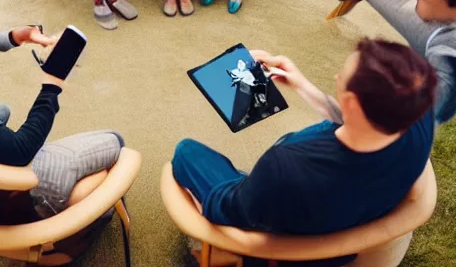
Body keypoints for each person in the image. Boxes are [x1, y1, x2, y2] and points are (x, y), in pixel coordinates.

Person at [172, 39, 435, 267]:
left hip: (279, 226)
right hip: (339, 231)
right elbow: (356, 122)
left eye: (342, 75)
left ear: (353, 103)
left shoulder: (284, 167)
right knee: (324, 130)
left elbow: (226, 209)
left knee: (186, 152)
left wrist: (232, 198)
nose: (336, 77)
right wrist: (303, 86)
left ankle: (241, 257)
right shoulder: (419, 119)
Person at [0, 19, 124, 223]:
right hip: (3, 198)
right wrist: (51, 87)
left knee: (0, 111)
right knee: (115, 141)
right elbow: (22, 148)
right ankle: (79, 218)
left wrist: (15, 36)